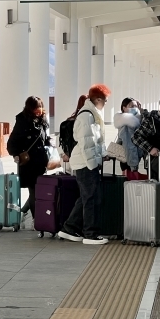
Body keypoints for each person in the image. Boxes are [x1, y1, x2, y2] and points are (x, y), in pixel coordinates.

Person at [58, 84, 111, 245]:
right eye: (105, 100)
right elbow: (86, 144)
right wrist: (93, 164)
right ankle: (90, 234)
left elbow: (96, 140)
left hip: (85, 162)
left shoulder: (91, 114)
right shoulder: (87, 116)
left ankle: (69, 228)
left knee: (86, 197)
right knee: (91, 199)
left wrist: (101, 155)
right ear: (98, 99)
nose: (106, 103)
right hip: (86, 164)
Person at [7, 96, 51, 225]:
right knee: (34, 190)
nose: (39, 110)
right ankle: (36, 220)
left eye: (40, 106)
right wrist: (15, 154)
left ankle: (24, 212)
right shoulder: (22, 121)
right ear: (29, 108)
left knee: (38, 190)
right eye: (35, 107)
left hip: (41, 161)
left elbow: (44, 138)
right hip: (29, 163)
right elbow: (12, 142)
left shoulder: (42, 120)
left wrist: (50, 143)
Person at [113, 98, 143, 175]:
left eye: (136, 106)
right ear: (124, 108)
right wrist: (133, 166)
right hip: (129, 160)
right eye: (131, 106)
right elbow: (129, 146)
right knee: (129, 180)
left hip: (128, 158)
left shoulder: (132, 120)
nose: (134, 108)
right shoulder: (128, 123)